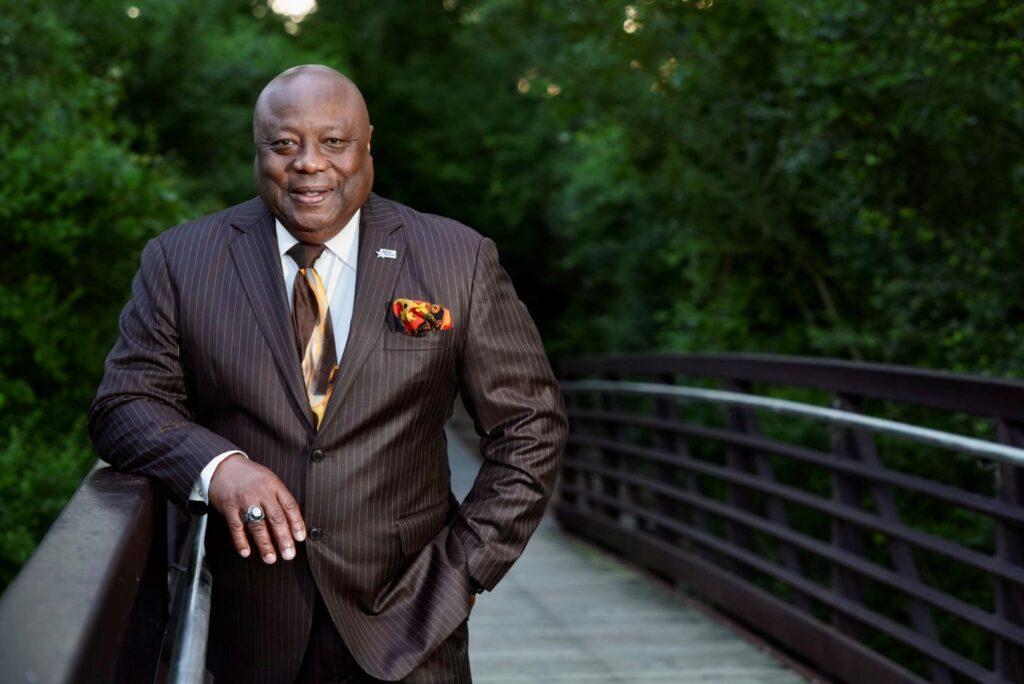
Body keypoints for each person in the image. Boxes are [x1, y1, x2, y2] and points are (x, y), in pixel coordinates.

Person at [87, 64, 568, 683]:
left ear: (368, 144)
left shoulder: (458, 259)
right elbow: (123, 405)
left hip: (411, 623)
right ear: (258, 151)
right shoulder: (182, 260)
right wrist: (217, 467)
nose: (309, 163)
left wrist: (465, 571)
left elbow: (532, 426)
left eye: (334, 142)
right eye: (284, 144)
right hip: (248, 626)